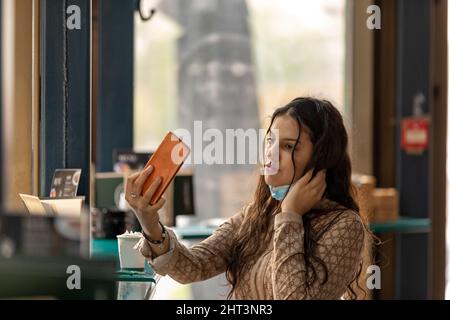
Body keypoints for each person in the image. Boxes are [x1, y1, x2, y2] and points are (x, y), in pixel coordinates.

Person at [126, 97, 371, 300]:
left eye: (288, 147)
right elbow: (193, 266)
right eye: (270, 141)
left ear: (321, 158)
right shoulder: (259, 213)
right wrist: (149, 221)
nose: (271, 155)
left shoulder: (345, 225)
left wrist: (290, 216)